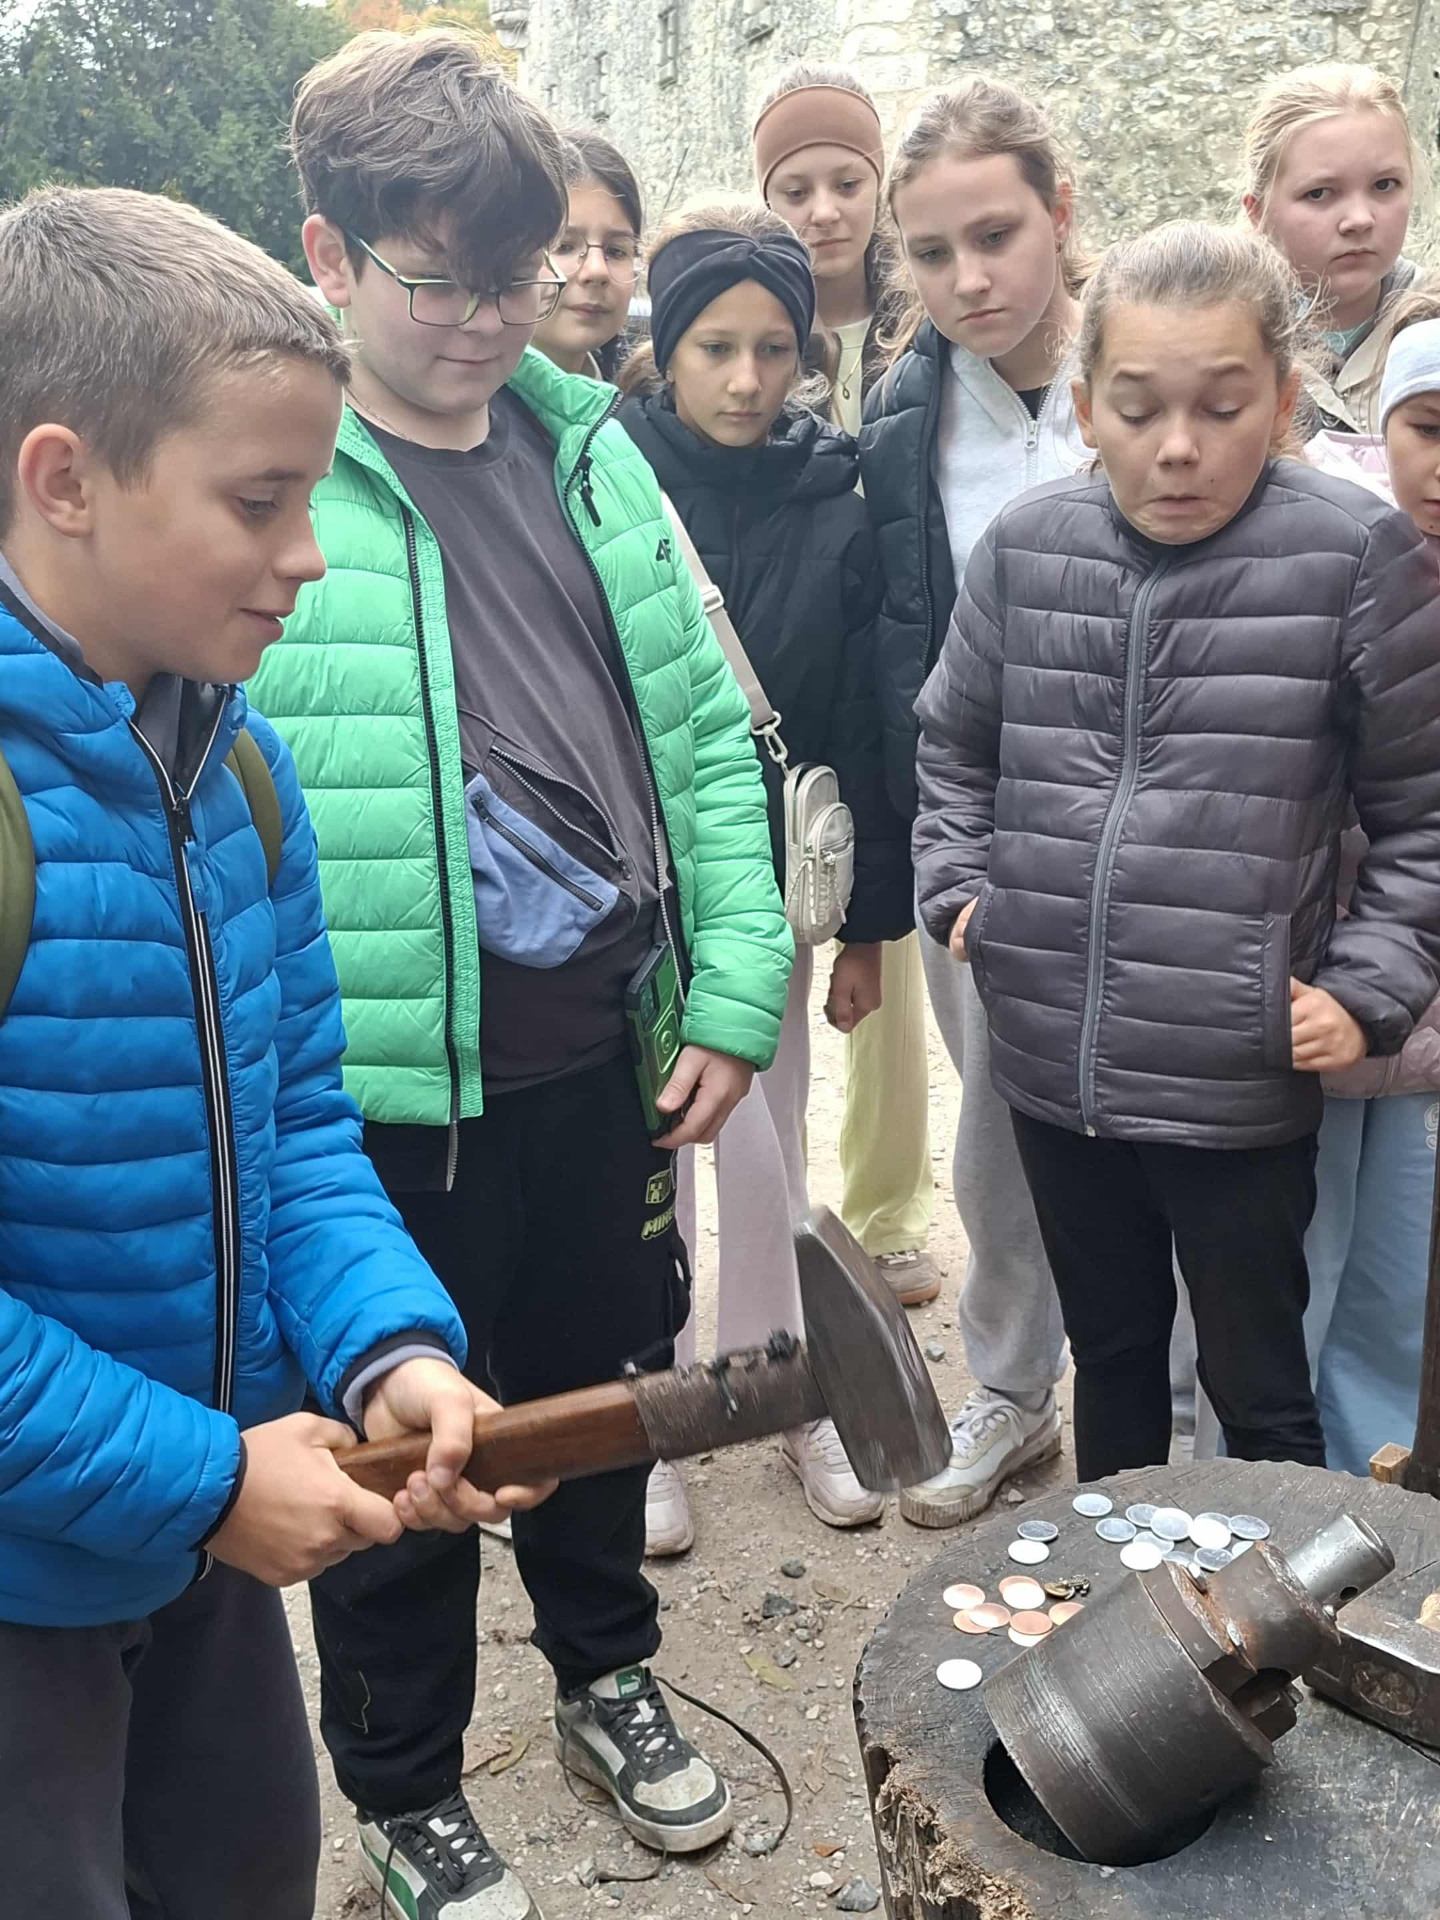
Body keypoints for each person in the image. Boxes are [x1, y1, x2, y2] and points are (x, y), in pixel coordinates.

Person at [249, 30, 792, 1919]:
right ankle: (405, 1786)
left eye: (522, 271)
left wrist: (737, 975)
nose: (492, 319)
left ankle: (607, 1681)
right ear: (329, 254)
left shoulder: (593, 450)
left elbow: (706, 737)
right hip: (380, 1101)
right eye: (442, 281)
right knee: (406, 1455)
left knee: (597, 1393)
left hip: (592, 1063)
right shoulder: (277, 476)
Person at [0, 183, 549, 1920]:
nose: (309, 551)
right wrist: (208, 1475)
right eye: (261, 500)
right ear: (64, 478)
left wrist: (389, 1350)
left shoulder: (240, 773)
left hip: (204, 1551)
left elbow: (301, 1125)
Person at [914, 220, 1440, 1484]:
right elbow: (952, 746)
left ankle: (1279, 1598)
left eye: (1223, 406)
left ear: (1285, 401)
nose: (1180, 448)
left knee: (1256, 1386)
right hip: (1054, 1062)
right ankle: (1119, 1591)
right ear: (1087, 408)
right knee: (1112, 1354)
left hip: (1238, 1076)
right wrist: (962, 886)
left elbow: (1424, 815)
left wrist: (1366, 990)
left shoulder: (1355, 556)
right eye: (1141, 409)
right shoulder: (1026, 548)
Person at [619, 202, 913, 1543]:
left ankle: (787, 1390)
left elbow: (859, 722)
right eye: (715, 348)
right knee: (647, 1154)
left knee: (768, 1136)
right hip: (635, 877)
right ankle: (655, 1405)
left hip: (771, 885)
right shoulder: (606, 482)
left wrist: (867, 928)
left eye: (774, 349)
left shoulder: (835, 498)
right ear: (668, 347)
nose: (746, 380)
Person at [858, 74, 1089, 1527]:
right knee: (998, 1128)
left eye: (997, 235)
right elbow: (903, 642)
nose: (969, 279)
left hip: (1171, 827)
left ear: (1061, 213)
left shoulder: (1152, 369)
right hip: (987, 833)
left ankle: (1176, 1413)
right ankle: (1011, 1388)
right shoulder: (904, 419)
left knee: (1175, 1137)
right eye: (933, 253)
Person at [754, 62, 939, 1311]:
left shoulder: (919, 327)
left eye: (845, 182)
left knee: (887, 956)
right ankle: (775, 1234)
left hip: (897, 655)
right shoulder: (749, 323)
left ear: (879, 188)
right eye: (796, 187)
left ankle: (886, 1211)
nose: (824, 209)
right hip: (792, 653)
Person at [1295, 297, 1440, 1475]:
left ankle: (1375, 1495)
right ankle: (1264, 1488)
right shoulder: (1325, 564)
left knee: (1400, 1282)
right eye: (1428, 427)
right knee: (1295, 1264)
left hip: (1429, 1024)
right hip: (1324, 997)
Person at [1242, 62, 1419, 433]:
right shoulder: (1226, 341)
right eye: (1319, 193)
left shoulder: (1430, 324)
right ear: (1258, 212)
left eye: (1384, 185)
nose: (1359, 219)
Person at [532, 128, 642, 382]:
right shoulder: (470, 402)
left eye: (616, 251)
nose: (597, 270)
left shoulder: (636, 397)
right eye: (564, 246)